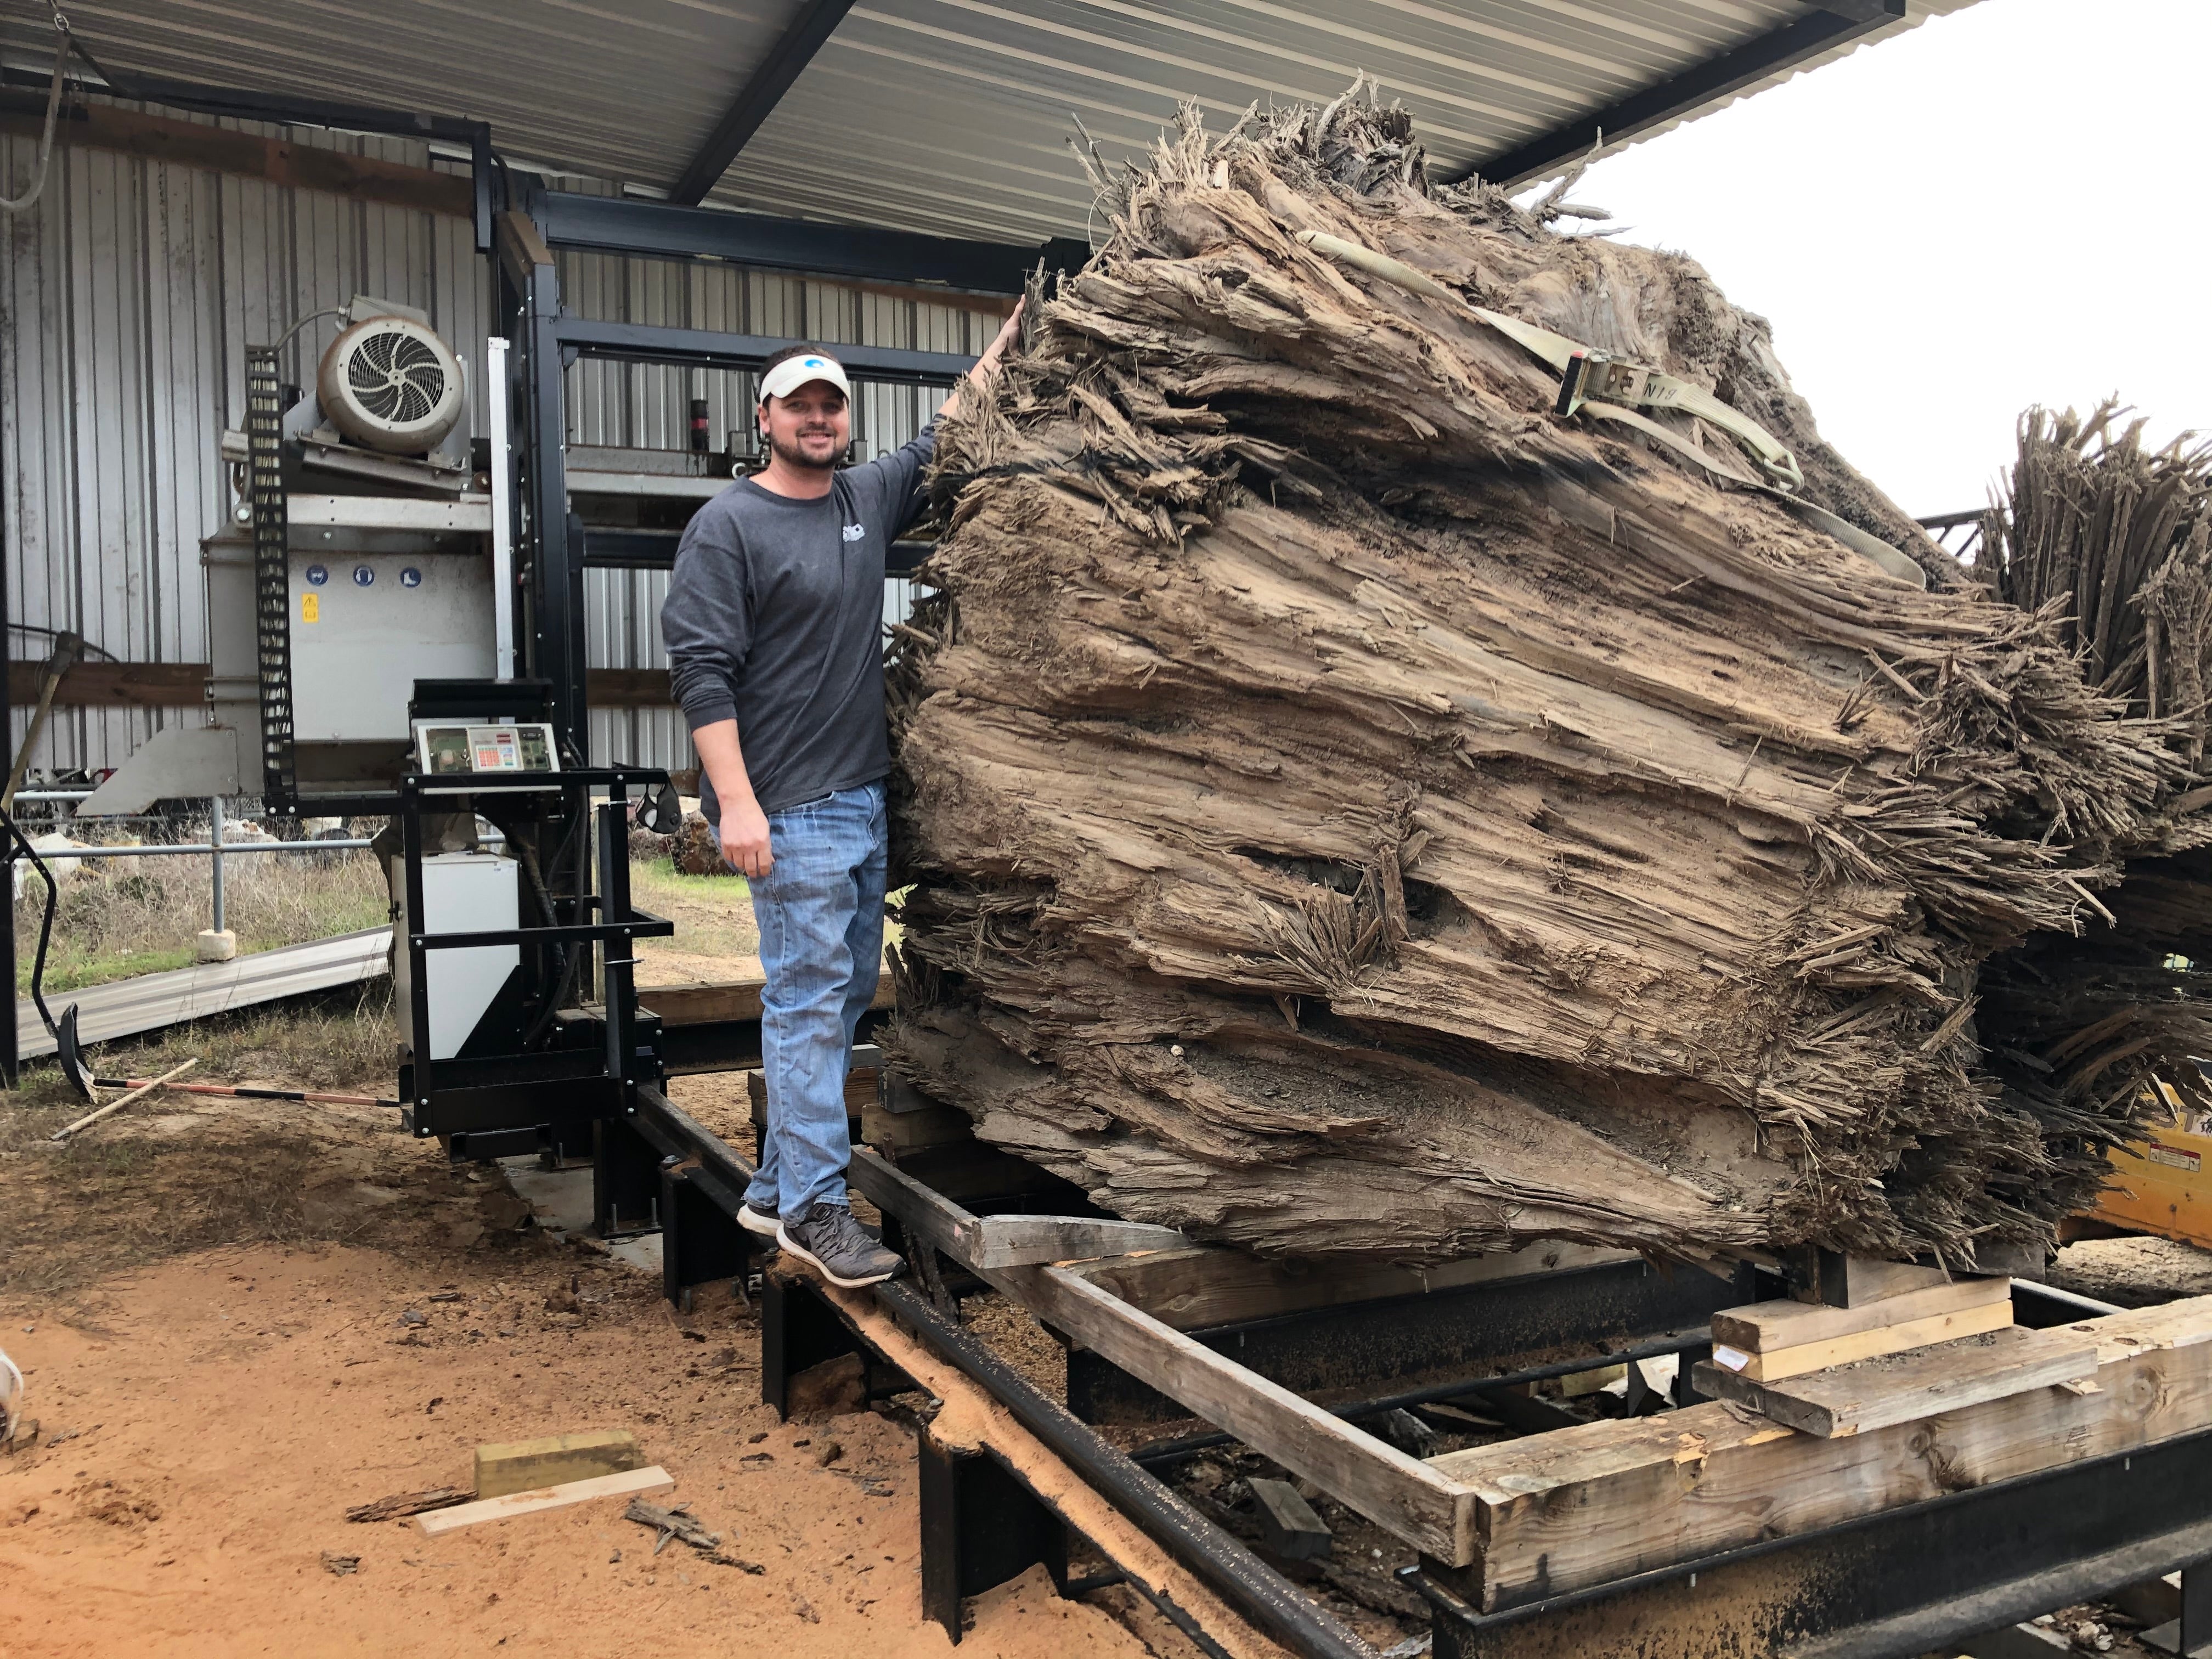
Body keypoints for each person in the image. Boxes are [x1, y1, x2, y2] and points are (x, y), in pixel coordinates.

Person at [661, 307, 1024, 1288]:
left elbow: (941, 435)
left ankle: (777, 1187)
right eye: (799, 405)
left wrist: (1006, 344)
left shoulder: (860, 500)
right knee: (811, 1007)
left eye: (831, 405)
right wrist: (734, 804)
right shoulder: (727, 526)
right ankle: (819, 1210)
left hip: (861, 804)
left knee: (843, 998)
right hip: (788, 809)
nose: (817, 419)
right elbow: (701, 674)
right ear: (765, 417)